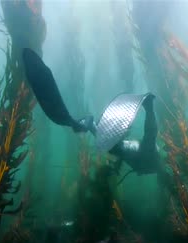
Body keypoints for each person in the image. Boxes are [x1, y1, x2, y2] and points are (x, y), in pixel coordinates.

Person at [22, 48, 160, 176]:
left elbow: (148, 134)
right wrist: (149, 107)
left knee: (114, 147)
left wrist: (116, 168)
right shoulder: (150, 151)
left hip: (128, 152)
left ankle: (87, 124)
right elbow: (151, 131)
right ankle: (87, 124)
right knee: (115, 147)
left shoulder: (147, 158)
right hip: (133, 152)